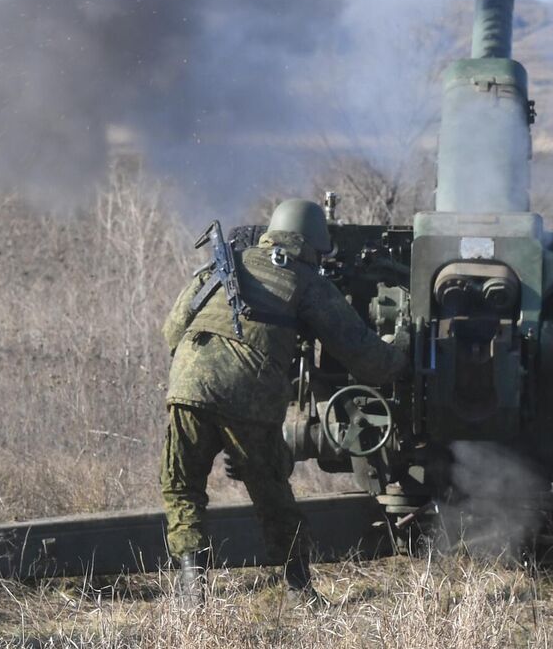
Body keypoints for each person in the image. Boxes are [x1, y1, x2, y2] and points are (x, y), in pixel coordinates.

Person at [161, 198, 406, 606]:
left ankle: (192, 591)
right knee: (271, 493)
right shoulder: (306, 280)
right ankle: (299, 589)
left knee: (182, 488)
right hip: (248, 396)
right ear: (311, 245)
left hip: (188, 386)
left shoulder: (222, 264)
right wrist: (402, 349)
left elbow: (172, 332)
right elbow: (368, 360)